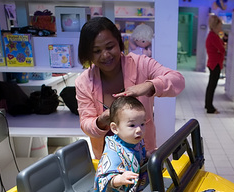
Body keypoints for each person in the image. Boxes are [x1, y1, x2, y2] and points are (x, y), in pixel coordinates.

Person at [75, 17, 185, 159]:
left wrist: (149, 85)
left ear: (119, 43)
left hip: (143, 154)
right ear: (88, 54)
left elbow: (178, 80)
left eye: (110, 47)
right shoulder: (84, 82)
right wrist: (101, 120)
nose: (105, 55)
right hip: (108, 160)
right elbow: (86, 124)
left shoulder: (141, 64)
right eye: (96, 51)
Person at [94, 96, 148, 192]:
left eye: (142, 124)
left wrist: (149, 155)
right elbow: (103, 179)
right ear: (115, 128)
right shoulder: (113, 152)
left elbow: (139, 154)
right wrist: (120, 179)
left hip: (134, 182)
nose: (139, 129)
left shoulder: (134, 140)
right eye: (132, 125)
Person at [204, 15, 225, 114]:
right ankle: (210, 107)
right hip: (215, 63)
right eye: (220, 26)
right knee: (212, 86)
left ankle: (208, 104)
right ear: (215, 26)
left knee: (211, 85)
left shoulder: (212, 35)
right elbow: (222, 49)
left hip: (213, 62)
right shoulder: (213, 36)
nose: (221, 28)